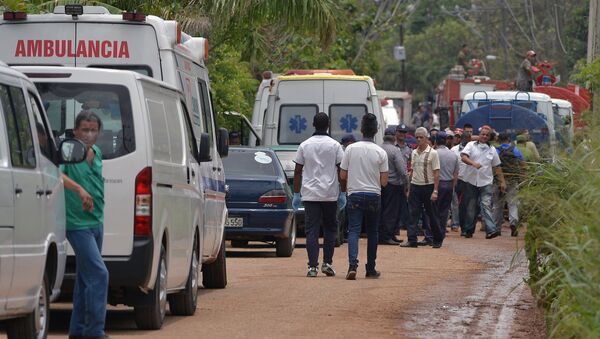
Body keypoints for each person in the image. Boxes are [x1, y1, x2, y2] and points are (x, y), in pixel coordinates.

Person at [61, 111, 109, 339]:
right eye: (85, 130)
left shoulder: (97, 152)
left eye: (93, 130)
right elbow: (56, 174)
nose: (89, 135)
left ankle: (78, 331)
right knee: (99, 275)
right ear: (75, 131)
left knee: (85, 280)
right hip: (77, 223)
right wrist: (79, 189)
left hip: (96, 221)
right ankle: (94, 332)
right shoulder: (69, 151)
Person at [293, 112, 346, 277]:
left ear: (313, 125)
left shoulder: (304, 145)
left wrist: (296, 193)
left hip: (309, 194)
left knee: (312, 230)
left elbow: (297, 172)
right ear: (328, 125)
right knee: (330, 229)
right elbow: (341, 170)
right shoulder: (335, 145)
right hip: (330, 194)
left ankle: (312, 267)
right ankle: (327, 263)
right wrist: (343, 192)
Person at [340, 113, 388, 280]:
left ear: (361, 130)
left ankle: (352, 265)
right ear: (376, 130)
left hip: (354, 195)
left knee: (353, 230)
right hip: (374, 195)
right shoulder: (381, 152)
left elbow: (343, 175)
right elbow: (384, 182)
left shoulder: (350, 149)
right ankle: (371, 268)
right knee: (373, 232)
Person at [400, 127, 444, 248]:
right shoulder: (413, 152)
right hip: (415, 187)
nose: (419, 139)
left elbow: (436, 173)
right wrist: (409, 189)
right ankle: (412, 240)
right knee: (412, 214)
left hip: (428, 187)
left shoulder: (433, 153)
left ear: (426, 138)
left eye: (421, 137)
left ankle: (438, 239)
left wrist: (435, 190)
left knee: (432, 214)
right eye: (417, 137)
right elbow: (412, 171)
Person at [460, 126, 507, 239]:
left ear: (489, 137)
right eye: (483, 134)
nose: (484, 136)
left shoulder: (492, 150)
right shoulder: (471, 145)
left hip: (486, 181)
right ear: (479, 134)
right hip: (471, 181)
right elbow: (463, 157)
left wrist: (502, 182)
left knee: (486, 205)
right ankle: (469, 230)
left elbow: (497, 167)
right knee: (471, 207)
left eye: (487, 135)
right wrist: (473, 163)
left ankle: (491, 230)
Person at [379, 127, 408, 245]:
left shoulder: (378, 148)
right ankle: (387, 237)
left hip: (380, 184)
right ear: (394, 137)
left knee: (382, 210)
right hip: (393, 185)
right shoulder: (395, 150)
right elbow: (402, 170)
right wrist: (406, 182)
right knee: (391, 212)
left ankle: (386, 235)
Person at [494, 133, 524, 236]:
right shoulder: (515, 150)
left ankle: (497, 228)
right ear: (508, 139)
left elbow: (493, 165)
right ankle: (513, 223)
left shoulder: (496, 151)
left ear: (499, 140)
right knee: (513, 203)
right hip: (513, 180)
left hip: (498, 181)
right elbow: (522, 164)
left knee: (498, 205)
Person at [434, 132, 459, 235]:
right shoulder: (453, 155)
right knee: (445, 209)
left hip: (436, 184)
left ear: (436, 141)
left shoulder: (433, 153)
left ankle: (434, 231)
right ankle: (441, 230)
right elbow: (456, 173)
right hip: (448, 184)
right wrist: (452, 186)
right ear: (446, 141)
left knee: (434, 209)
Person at [450, 130, 469, 232]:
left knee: (465, 203)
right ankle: (455, 224)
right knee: (454, 202)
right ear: (461, 139)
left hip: (468, 180)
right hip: (456, 179)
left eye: (468, 139)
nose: (466, 141)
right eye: (464, 138)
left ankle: (464, 225)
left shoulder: (472, 149)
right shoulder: (454, 150)